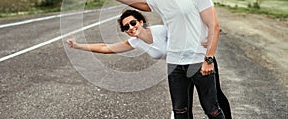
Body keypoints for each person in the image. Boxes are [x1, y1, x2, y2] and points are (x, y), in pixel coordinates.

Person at [84, 0, 230, 119]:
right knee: (180, 112)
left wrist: (208, 58)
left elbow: (214, 26)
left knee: (212, 110)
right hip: (175, 64)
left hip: (198, 59)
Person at [67, 9, 231, 119]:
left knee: (213, 103)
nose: (131, 28)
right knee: (181, 108)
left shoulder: (160, 30)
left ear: (140, 21)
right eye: (126, 27)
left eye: (133, 23)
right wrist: (77, 45)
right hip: (178, 68)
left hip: (197, 60)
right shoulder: (136, 42)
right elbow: (106, 48)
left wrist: (209, 36)